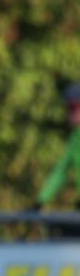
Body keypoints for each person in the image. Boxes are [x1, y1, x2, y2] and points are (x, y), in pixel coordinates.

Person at [35, 82, 80, 237]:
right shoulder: (75, 138)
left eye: (74, 108)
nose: (70, 113)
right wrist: (39, 201)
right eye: (69, 108)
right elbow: (60, 171)